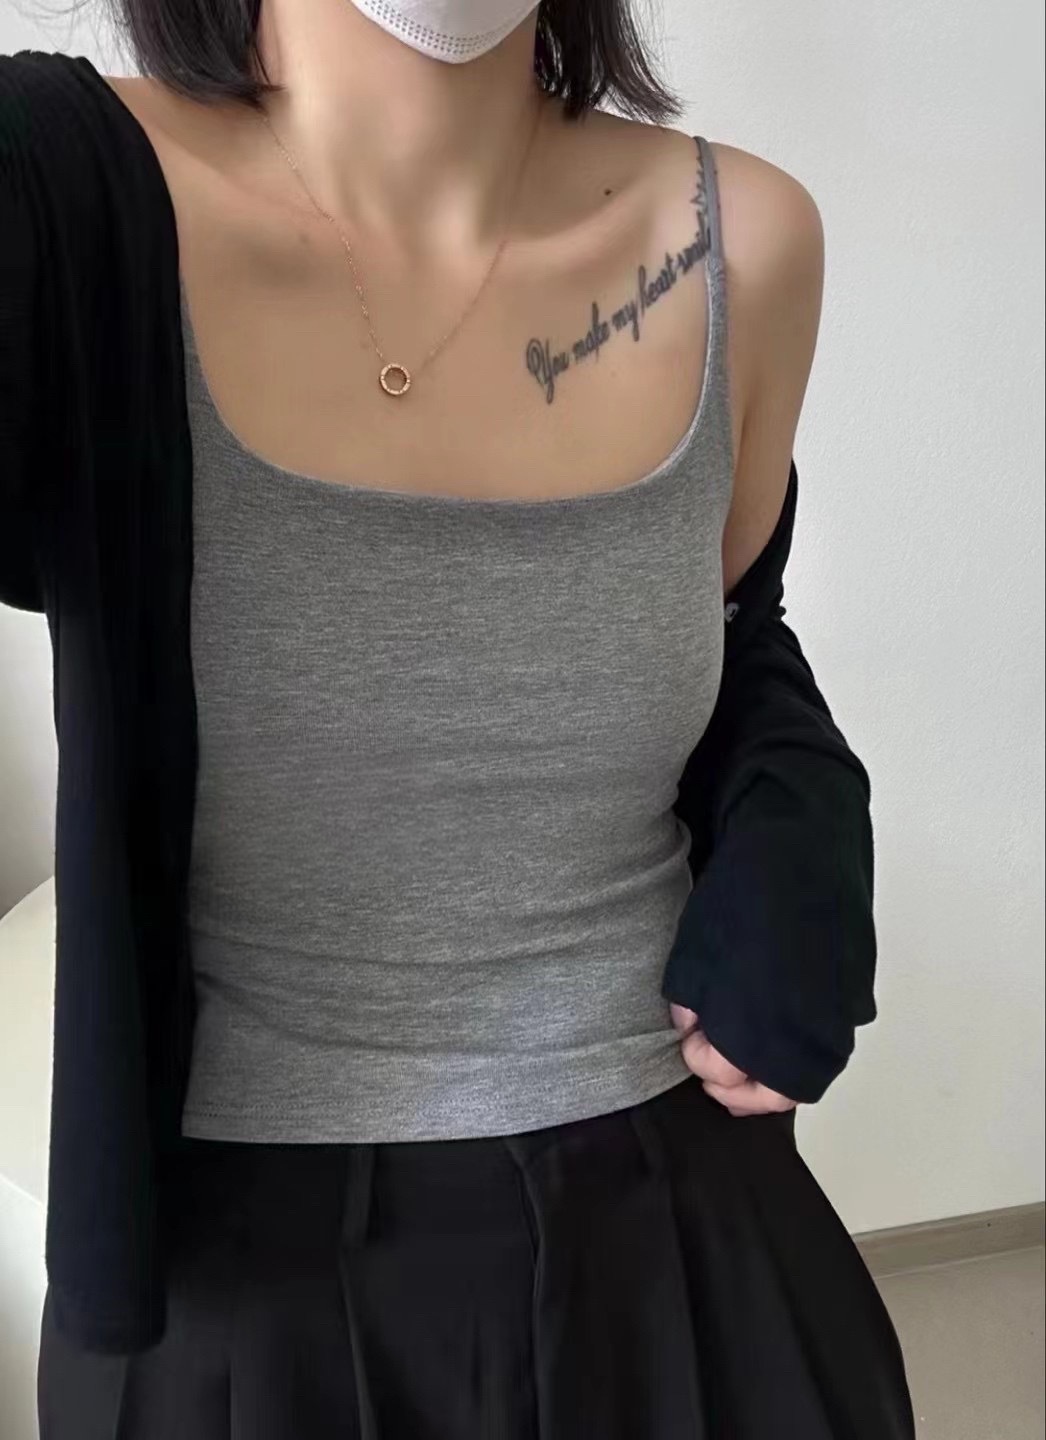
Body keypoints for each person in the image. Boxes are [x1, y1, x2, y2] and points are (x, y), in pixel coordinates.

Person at [0, 1, 915, 1435]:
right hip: (240, 1292)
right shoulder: (56, 197)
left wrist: (805, 810)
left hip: (684, 1241)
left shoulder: (739, 238)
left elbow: (737, 632)